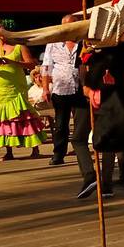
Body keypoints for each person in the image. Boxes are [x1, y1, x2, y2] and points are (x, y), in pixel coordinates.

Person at [40, 21, 87, 170]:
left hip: (81, 87)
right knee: (61, 123)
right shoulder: (53, 43)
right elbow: (46, 66)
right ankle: (58, 154)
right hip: (61, 87)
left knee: (80, 122)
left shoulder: (83, 41)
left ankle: (80, 148)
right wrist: (45, 88)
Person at [0, 28, 47, 160]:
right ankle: (9, 151)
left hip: (16, 88)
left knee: (24, 117)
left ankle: (35, 148)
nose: (1, 36)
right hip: (1, 89)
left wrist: (11, 62)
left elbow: (32, 65)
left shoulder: (19, 46)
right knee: (5, 120)